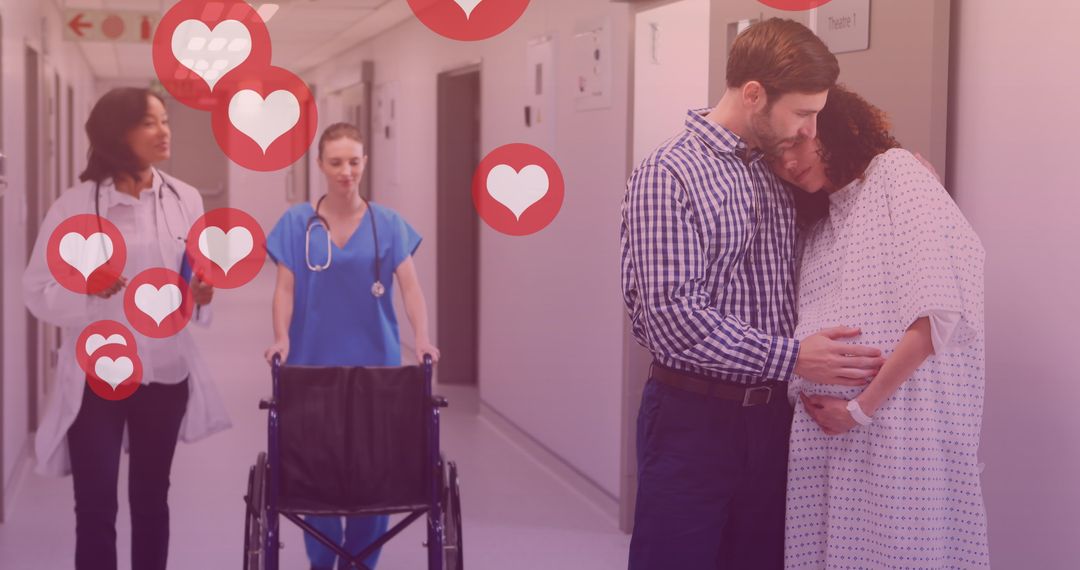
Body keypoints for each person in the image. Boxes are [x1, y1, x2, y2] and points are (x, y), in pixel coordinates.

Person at [620, 19, 888, 569]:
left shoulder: (777, 170)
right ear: (753, 94)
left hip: (775, 422)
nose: (810, 130)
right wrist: (793, 355)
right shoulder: (668, 174)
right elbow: (674, 319)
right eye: (802, 112)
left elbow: (845, 204)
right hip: (692, 419)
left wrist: (899, 168)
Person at [770, 86, 990, 568]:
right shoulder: (823, 225)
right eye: (775, 155)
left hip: (896, 435)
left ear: (827, 127)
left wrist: (861, 409)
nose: (787, 162)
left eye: (794, 143)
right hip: (834, 446)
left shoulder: (895, 174)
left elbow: (937, 315)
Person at [22, 87, 231, 570]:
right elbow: (37, 291)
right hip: (96, 378)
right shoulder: (74, 207)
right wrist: (86, 289)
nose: (165, 132)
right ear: (119, 134)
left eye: (165, 120)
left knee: (152, 502)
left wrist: (201, 295)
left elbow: (195, 278)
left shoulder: (186, 198)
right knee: (95, 507)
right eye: (150, 123)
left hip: (164, 373)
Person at [264, 122, 440, 570]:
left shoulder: (388, 224)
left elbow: (411, 288)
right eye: (336, 162)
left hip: (376, 368)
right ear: (320, 165)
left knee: (372, 479)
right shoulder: (297, 223)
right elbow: (285, 289)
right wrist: (281, 336)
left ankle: (360, 562)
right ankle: (323, 563)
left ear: (365, 163)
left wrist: (420, 337)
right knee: (316, 478)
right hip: (311, 365)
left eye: (354, 162)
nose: (346, 171)